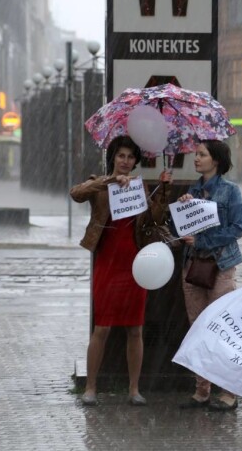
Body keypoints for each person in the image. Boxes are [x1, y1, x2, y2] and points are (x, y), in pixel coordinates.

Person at [70, 135, 172, 407]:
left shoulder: (141, 187)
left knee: (135, 330)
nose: (126, 161)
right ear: (113, 158)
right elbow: (76, 193)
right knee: (101, 328)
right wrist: (109, 181)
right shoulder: (100, 184)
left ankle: (134, 389)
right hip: (107, 262)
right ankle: (91, 388)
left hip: (135, 264)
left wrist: (162, 190)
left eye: (130, 157)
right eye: (121, 156)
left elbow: (156, 219)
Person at [177, 140, 242, 412]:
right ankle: (201, 389)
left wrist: (203, 241)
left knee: (222, 328)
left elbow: (237, 228)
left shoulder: (231, 192)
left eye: (201, 154)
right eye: (196, 154)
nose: (196, 158)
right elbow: (181, 228)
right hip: (192, 267)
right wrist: (183, 208)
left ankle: (229, 391)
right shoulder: (192, 191)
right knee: (198, 328)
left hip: (221, 266)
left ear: (215, 160)